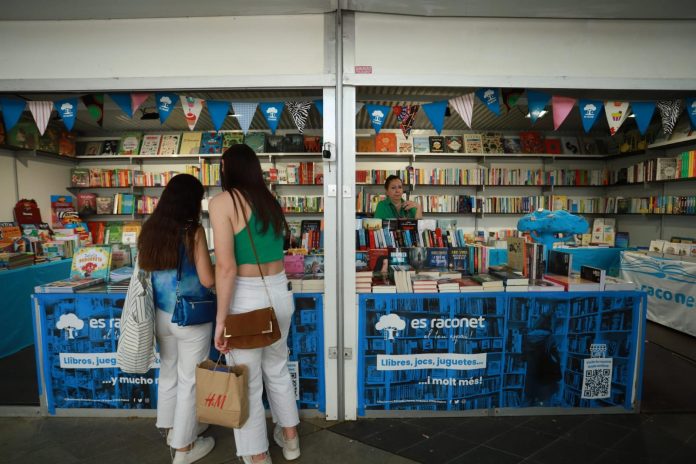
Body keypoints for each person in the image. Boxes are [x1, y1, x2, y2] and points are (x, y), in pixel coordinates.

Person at [209, 144, 300, 464]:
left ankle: (257, 455)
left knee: (245, 380)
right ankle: (291, 439)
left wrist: (221, 321)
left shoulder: (221, 203)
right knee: (277, 369)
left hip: (247, 299)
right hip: (280, 293)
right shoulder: (270, 201)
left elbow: (226, 267)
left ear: (227, 168)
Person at [138, 173, 216, 464]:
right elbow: (207, 279)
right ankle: (184, 449)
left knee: (169, 372)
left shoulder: (150, 230)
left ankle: (172, 430)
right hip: (191, 317)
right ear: (191, 201)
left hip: (161, 315)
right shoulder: (193, 231)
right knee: (190, 380)